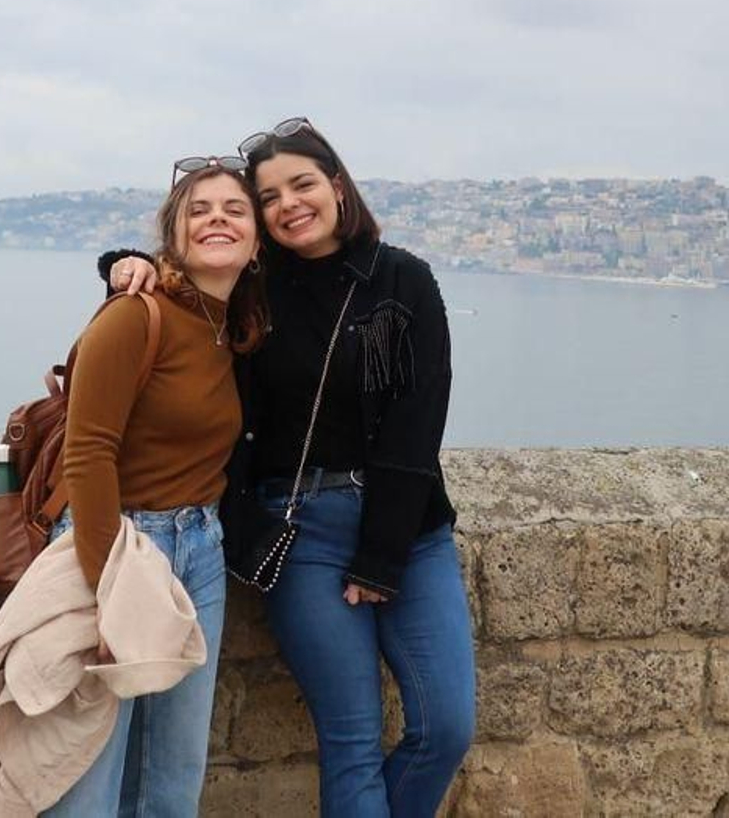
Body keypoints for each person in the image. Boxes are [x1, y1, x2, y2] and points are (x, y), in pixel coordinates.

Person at [105, 119, 475, 817]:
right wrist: (124, 263)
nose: (287, 203)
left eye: (302, 183)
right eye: (269, 195)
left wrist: (382, 556)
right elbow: (183, 285)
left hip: (410, 534)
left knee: (445, 727)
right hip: (300, 533)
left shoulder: (403, 280)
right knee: (353, 741)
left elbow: (419, 418)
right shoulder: (255, 286)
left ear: (337, 186)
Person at [46, 159, 266, 817]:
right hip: (117, 544)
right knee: (85, 781)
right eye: (199, 208)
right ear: (173, 233)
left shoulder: (238, 329)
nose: (219, 217)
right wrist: (108, 586)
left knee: (171, 783)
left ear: (258, 239)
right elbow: (87, 453)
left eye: (235, 207)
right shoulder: (135, 318)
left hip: (199, 551)